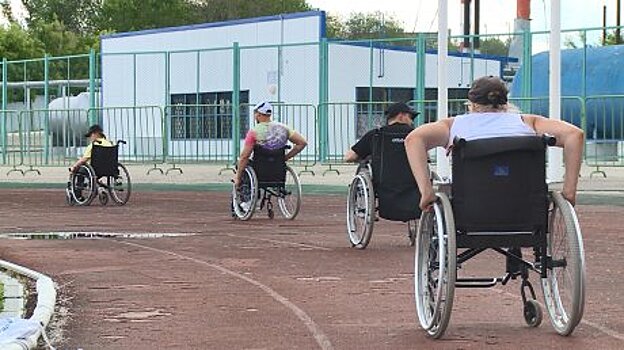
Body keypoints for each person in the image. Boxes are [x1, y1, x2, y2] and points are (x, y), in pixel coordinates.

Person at [404, 75, 584, 211]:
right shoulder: (528, 122)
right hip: (524, 206)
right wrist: (569, 192)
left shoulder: (452, 125)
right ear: (505, 104)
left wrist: (426, 191)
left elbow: (413, 139)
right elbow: (575, 135)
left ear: (472, 105)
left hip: (471, 206)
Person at [233, 101, 307, 188]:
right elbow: (302, 143)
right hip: (278, 168)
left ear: (258, 115)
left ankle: (246, 194)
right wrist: (286, 157)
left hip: (260, 169)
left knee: (241, 163)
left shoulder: (254, 132)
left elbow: (245, 156)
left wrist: (238, 177)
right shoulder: (284, 128)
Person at [344, 102, 418, 163]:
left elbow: (349, 157)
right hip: (413, 180)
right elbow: (426, 158)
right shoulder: (415, 134)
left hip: (380, 180)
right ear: (401, 116)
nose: (411, 121)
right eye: (410, 117)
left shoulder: (375, 134)